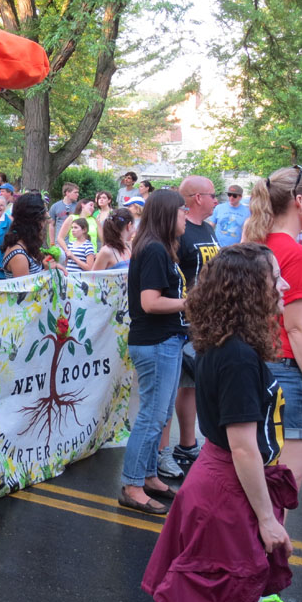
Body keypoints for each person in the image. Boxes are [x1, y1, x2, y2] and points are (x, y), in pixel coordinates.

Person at [143, 244, 295, 602]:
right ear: (249, 289)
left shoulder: (230, 344)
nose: (285, 286)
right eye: (275, 278)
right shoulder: (238, 355)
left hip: (225, 484)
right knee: (218, 596)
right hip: (227, 493)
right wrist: (266, 519)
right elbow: (243, 448)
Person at [245, 165, 302, 528]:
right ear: (298, 201)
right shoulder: (296, 256)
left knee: (258, 480)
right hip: (286, 371)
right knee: (280, 489)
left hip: (257, 363)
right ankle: (261, 574)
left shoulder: (254, 243)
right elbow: (298, 331)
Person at [118, 189, 187, 515]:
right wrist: (191, 302)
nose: (185, 217)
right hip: (156, 342)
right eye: (182, 212)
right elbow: (149, 302)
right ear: (167, 215)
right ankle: (132, 485)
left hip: (164, 340)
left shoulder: (157, 248)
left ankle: (147, 476)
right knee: (152, 417)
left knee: (159, 415)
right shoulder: (155, 250)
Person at [161, 176, 220, 480]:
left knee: (190, 385)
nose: (217, 200)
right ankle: (162, 452)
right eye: (213, 195)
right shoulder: (180, 233)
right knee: (168, 389)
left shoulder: (208, 230)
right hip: (180, 321)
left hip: (202, 321)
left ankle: (187, 444)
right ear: (198, 198)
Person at [1, 193, 59, 278]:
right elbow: (26, 289)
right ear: (34, 221)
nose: (47, 219)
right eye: (43, 217)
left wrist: (46, 267)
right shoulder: (19, 256)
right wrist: (46, 272)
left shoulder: (27, 246)